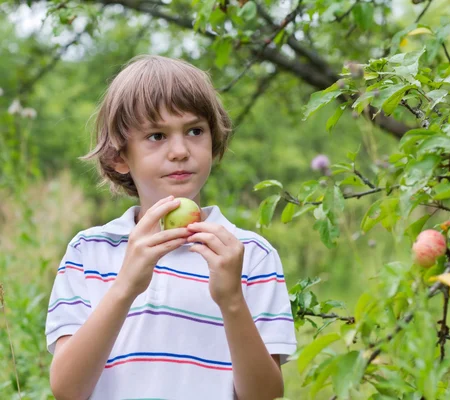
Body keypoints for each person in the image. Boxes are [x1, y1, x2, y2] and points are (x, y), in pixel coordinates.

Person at [45, 54, 297, 400]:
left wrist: (232, 300)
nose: (180, 151)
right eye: (156, 136)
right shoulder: (89, 252)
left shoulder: (249, 255)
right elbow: (67, 390)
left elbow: (265, 394)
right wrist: (125, 288)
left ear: (213, 140)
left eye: (195, 131)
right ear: (120, 156)